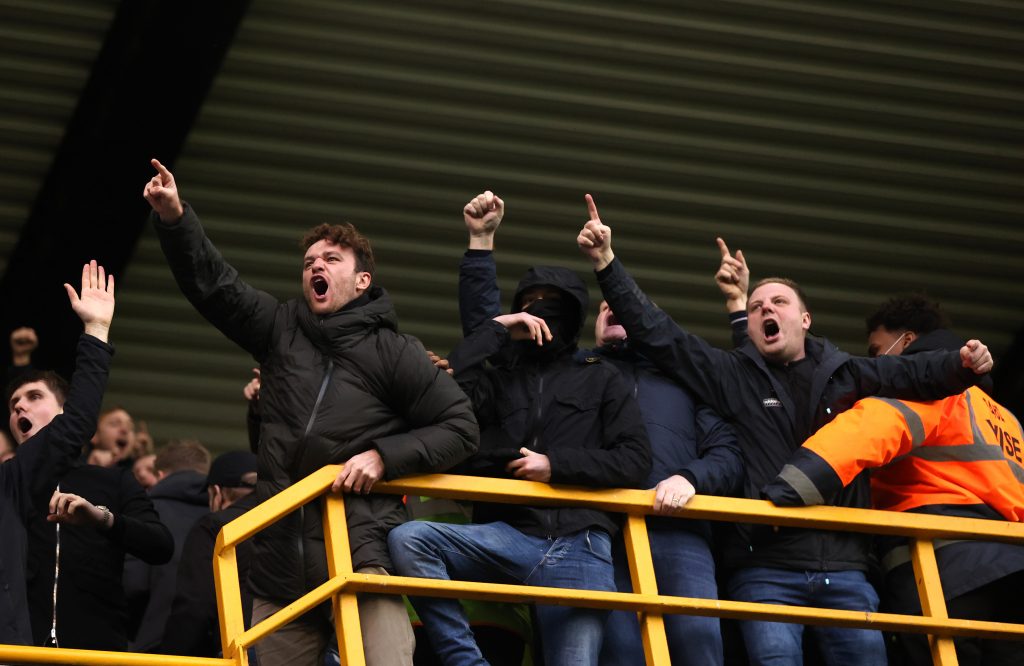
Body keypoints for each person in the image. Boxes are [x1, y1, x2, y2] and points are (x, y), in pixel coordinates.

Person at [576, 195, 995, 666]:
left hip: (847, 568)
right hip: (764, 572)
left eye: (778, 302)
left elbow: (910, 375)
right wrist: (606, 262)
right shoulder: (731, 376)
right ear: (748, 326)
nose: (764, 310)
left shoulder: (847, 373)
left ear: (805, 318)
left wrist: (962, 365)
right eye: (755, 308)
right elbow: (660, 334)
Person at [143, 158, 479, 666]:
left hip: (362, 557)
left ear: (362, 280)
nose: (316, 267)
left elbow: (462, 427)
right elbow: (215, 286)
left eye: (331, 260)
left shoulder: (394, 351)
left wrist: (384, 458)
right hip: (278, 570)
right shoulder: (280, 328)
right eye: (309, 263)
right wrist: (175, 217)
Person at [456, 191, 742, 665]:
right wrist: (481, 244)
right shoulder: (573, 370)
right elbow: (490, 336)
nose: (614, 309)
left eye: (623, 306)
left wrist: (689, 479)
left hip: (675, 530)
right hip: (595, 531)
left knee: (698, 646)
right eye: (604, 306)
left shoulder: (682, 380)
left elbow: (729, 448)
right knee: (616, 652)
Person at [389, 260, 652, 666]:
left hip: (580, 544)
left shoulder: (601, 376)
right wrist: (496, 329)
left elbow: (635, 460)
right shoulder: (498, 378)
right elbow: (449, 411)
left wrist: (555, 465)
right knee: (409, 541)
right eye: (528, 303)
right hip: (507, 535)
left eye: (549, 302)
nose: (537, 310)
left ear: (572, 311)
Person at [762, 294, 1024, 665]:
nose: (875, 362)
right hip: (1012, 575)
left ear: (910, 342)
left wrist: (786, 489)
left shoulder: (927, 391)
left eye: (877, 350)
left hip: (942, 574)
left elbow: (866, 432)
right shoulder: (1005, 418)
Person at [0, 261, 115, 645]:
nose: (19, 410)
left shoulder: (11, 480)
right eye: (13, 404)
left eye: (32, 399)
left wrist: (96, 331)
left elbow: (72, 427)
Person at [161, 450, 259, 658]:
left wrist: (171, 657)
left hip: (238, 652)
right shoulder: (291, 517)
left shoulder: (215, 526)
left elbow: (194, 607)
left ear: (217, 492)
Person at [127, 439, 212, 651]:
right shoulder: (223, 517)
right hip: (214, 651)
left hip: (153, 646)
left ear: (161, 475)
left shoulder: (144, 514)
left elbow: (133, 584)